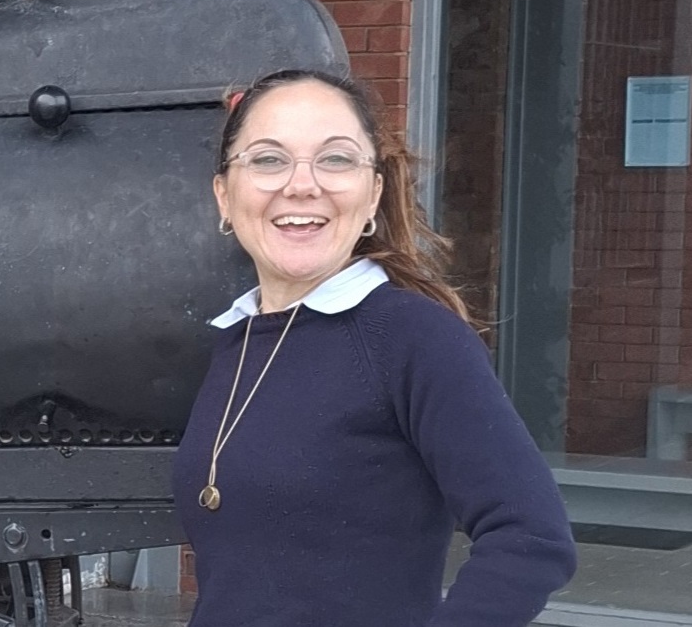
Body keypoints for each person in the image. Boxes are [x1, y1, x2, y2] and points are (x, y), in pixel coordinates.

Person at [173, 68, 576, 626]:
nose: (302, 184)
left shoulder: (413, 337)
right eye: (268, 159)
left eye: (336, 159)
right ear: (224, 195)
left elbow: (531, 537)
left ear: (374, 195)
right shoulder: (237, 340)